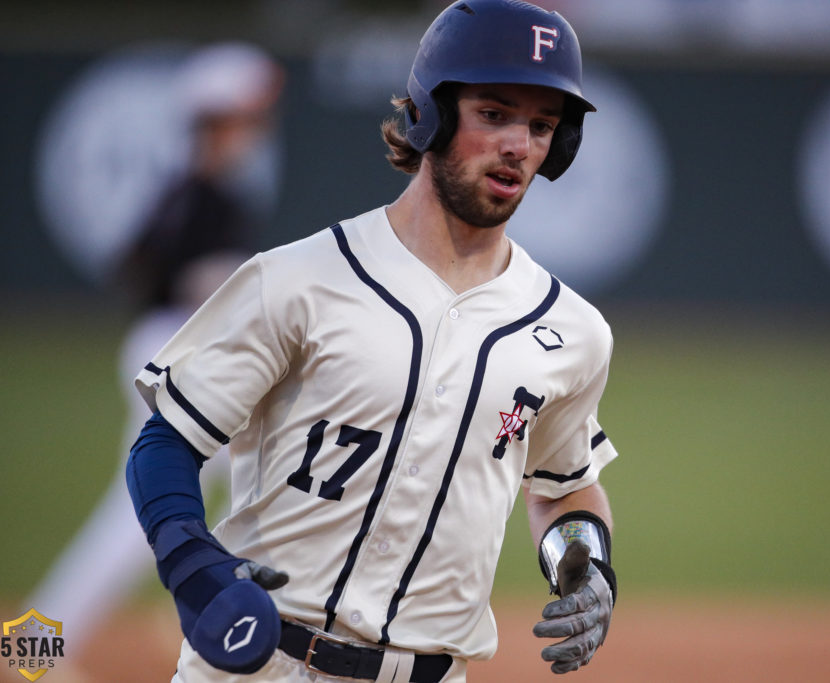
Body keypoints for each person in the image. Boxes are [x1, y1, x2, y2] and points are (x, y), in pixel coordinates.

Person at [125, 2, 618, 681]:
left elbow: (565, 485)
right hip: (263, 663)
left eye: (541, 126)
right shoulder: (298, 278)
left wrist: (587, 561)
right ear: (432, 114)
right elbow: (166, 440)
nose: (519, 145)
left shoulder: (573, 331)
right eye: (495, 113)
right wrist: (191, 561)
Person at [26, 42, 284, 664]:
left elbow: (135, 263)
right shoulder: (204, 197)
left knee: (245, 494)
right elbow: (174, 279)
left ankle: (43, 641)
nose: (259, 125)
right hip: (180, 361)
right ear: (220, 116)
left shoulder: (197, 190)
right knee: (154, 517)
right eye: (249, 112)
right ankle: (36, 644)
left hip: (176, 354)